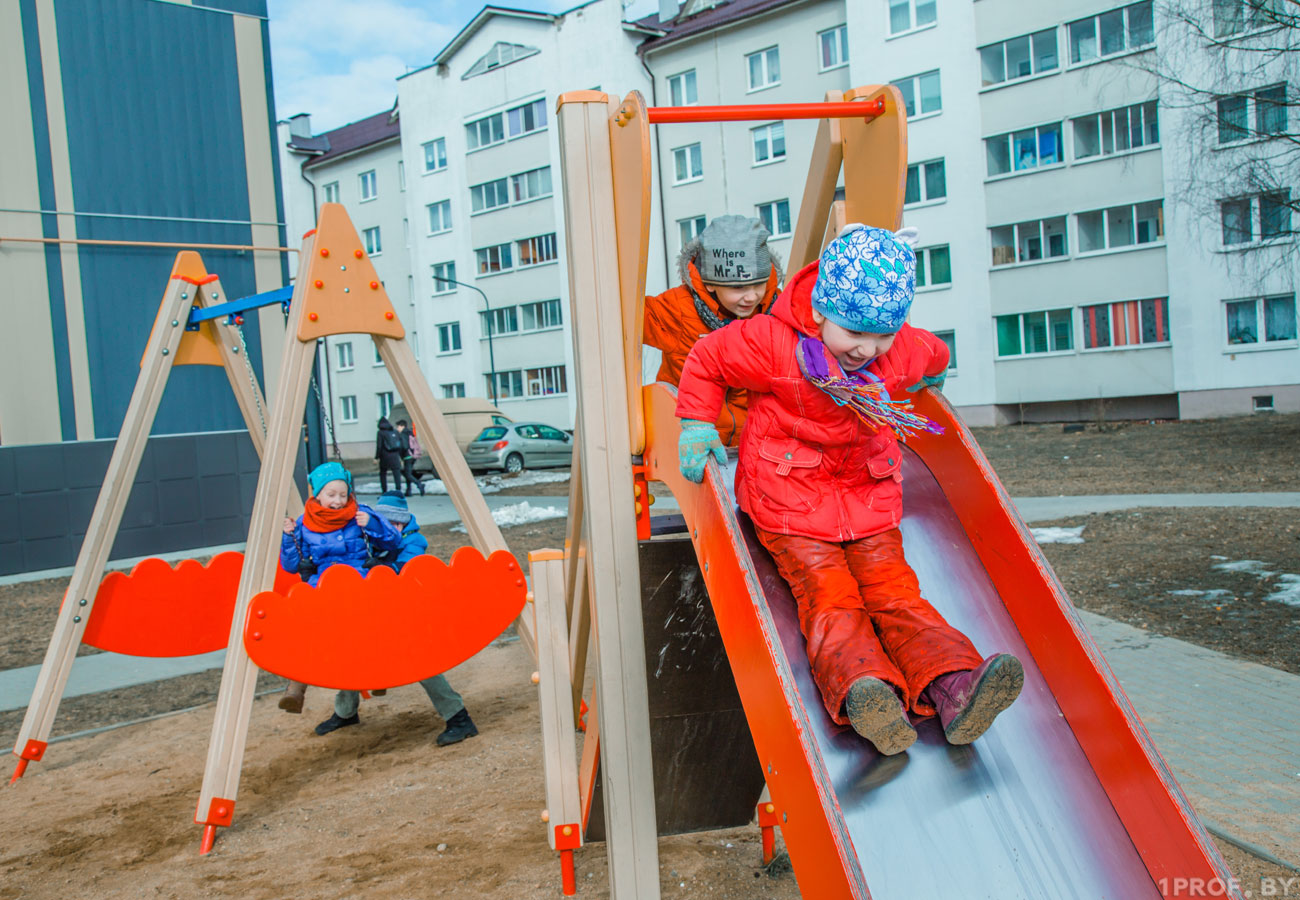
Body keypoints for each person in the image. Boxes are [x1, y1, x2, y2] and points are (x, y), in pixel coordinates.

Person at [674, 224, 1023, 756]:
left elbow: (931, 352)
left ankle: (955, 685)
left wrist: (931, 379)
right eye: (856, 333)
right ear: (818, 312)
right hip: (788, 503)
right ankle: (868, 691)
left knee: (896, 592)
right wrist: (697, 424)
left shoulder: (895, 347)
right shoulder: (772, 343)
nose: (869, 349)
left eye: (883, 334)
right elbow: (708, 359)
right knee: (831, 596)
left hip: (867, 501)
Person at [314, 491, 479, 746]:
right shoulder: (377, 538)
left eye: (395, 524)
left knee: (422, 665)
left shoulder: (414, 542)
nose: (390, 528)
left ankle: (459, 718)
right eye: (385, 523)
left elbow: (407, 569)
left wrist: (381, 568)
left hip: (410, 616)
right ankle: (345, 712)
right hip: (382, 613)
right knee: (351, 653)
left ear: (403, 523)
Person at [643, 215, 782, 446]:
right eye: (738, 287)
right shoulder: (679, 310)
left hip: (753, 440)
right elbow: (632, 316)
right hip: (694, 436)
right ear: (709, 283)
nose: (751, 296)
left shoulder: (775, 309)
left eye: (759, 284)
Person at [277, 462, 402, 714]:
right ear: (317, 494)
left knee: (367, 623)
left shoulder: (359, 513)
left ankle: (378, 675)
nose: (337, 501)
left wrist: (373, 524)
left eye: (343, 495)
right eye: (331, 495)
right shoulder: (303, 523)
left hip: (358, 578)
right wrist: (287, 537)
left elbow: (394, 540)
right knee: (309, 626)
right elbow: (290, 565)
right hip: (324, 582)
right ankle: (296, 687)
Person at [375, 416, 407, 494]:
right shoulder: (395, 432)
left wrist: (376, 457)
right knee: (396, 473)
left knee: (383, 473)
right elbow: (400, 444)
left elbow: (379, 446)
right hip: (395, 456)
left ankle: (384, 491)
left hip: (385, 456)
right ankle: (398, 490)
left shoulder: (380, 433)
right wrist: (401, 456)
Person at [395, 419, 426, 497]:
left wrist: (401, 454)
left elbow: (404, 446)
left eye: (398, 426)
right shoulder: (409, 433)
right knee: (407, 473)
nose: (397, 428)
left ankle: (419, 484)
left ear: (402, 426)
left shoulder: (403, 434)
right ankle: (408, 491)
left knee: (408, 474)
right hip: (413, 456)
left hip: (407, 456)